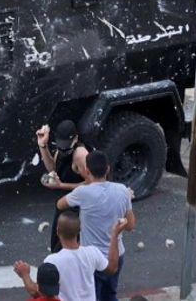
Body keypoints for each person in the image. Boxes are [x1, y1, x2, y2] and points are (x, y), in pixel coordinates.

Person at [56, 151, 136, 301]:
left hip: (91, 259)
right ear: (108, 169)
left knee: (92, 297)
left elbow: (60, 204)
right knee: (110, 294)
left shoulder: (82, 193)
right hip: (117, 254)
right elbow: (131, 225)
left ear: (87, 171)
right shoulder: (123, 191)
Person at [36, 121, 89, 252]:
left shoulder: (80, 155)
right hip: (64, 204)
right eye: (60, 144)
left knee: (68, 248)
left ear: (75, 139)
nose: (62, 148)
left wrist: (61, 185)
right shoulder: (61, 151)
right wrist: (43, 146)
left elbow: (91, 184)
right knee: (56, 245)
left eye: (66, 145)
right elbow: (52, 168)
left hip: (78, 208)